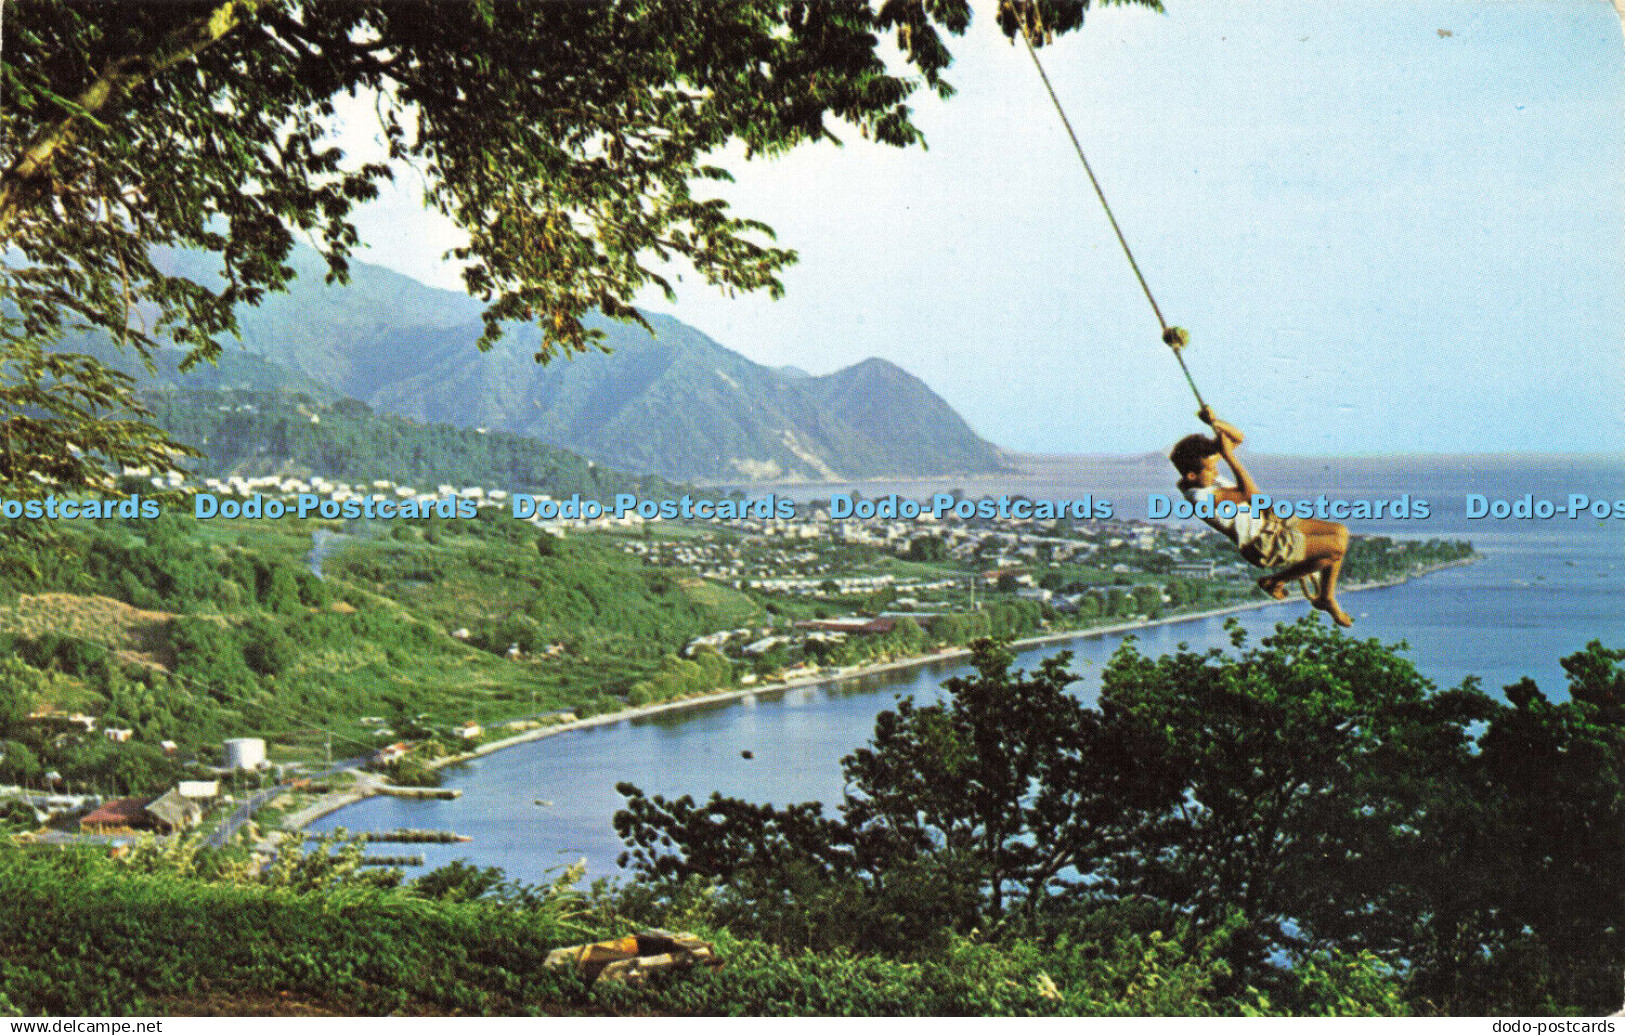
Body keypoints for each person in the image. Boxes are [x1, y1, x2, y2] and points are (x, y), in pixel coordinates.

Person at [1170, 407, 1353, 626]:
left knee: (1340, 533)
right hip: (1263, 543)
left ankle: (1325, 597)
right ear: (1192, 475)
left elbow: (1237, 437)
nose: (1217, 471)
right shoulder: (1200, 497)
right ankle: (1275, 581)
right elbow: (1251, 496)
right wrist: (1230, 457)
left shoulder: (1200, 474)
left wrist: (1214, 422)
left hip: (1271, 521)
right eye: (1211, 469)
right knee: (1335, 549)